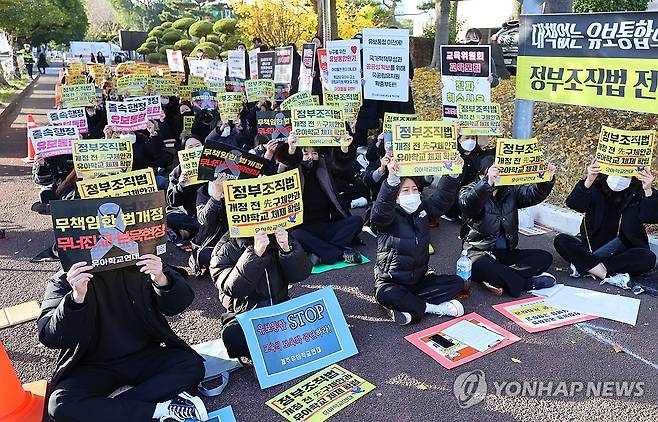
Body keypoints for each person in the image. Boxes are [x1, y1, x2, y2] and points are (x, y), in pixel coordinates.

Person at [38, 256, 208, 422]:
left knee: (192, 365)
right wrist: (76, 298)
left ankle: (108, 410)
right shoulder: (67, 278)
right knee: (59, 403)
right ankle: (160, 410)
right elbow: (51, 337)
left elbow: (179, 304)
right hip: (92, 365)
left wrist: (161, 278)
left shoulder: (142, 262)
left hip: (144, 354)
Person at [371, 158, 467, 325]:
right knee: (386, 294)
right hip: (391, 282)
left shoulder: (422, 211)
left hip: (419, 281)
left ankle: (407, 306)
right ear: (396, 197)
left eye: (414, 190)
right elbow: (380, 211)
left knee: (458, 283)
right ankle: (432, 308)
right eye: (405, 191)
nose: (411, 194)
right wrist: (392, 179)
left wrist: (453, 173)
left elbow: (442, 199)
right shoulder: (388, 217)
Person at [459, 156, 557, 297]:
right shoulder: (468, 190)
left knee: (544, 257)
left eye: (500, 173)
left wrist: (546, 180)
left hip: (505, 253)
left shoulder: (509, 190)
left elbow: (531, 195)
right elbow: (468, 204)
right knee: (483, 266)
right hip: (478, 253)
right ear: (481, 174)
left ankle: (498, 278)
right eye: (494, 172)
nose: (498, 176)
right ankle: (525, 283)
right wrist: (486, 184)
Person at [554, 160, 658, 288]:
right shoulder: (597, 183)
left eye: (625, 174)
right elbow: (574, 204)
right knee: (561, 240)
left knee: (648, 258)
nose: (620, 177)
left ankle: (585, 266)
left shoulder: (639, 189)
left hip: (625, 249)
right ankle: (605, 274)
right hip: (592, 246)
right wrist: (589, 180)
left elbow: (651, 217)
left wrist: (648, 190)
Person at [210, 228, 312, 358]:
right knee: (234, 337)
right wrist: (255, 254)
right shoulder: (226, 247)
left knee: (316, 320)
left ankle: (274, 346)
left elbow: (300, 275)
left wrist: (287, 249)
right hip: (246, 313)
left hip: (280, 307)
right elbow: (232, 288)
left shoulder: (280, 236)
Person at [278, 133, 364, 265]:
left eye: (314, 153)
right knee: (296, 236)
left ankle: (320, 251)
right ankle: (339, 254)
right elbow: (284, 171)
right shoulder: (293, 173)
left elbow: (341, 167)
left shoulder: (325, 170)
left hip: (326, 226)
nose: (311, 157)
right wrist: (291, 149)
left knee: (357, 221)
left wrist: (344, 148)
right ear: (299, 156)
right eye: (306, 154)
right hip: (303, 230)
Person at [442, 135, 494, 221]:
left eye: (473, 138)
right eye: (466, 138)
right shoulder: (453, 153)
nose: (470, 141)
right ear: (459, 139)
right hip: (453, 196)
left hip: (471, 193)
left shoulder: (478, 153)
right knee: (451, 214)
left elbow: (491, 155)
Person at [167, 136, 204, 242]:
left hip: (210, 213)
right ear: (183, 152)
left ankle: (190, 232)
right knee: (168, 216)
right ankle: (200, 229)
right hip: (190, 215)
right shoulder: (177, 172)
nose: (194, 150)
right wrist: (181, 185)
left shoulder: (212, 167)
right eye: (190, 147)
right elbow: (171, 202)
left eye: (198, 146)